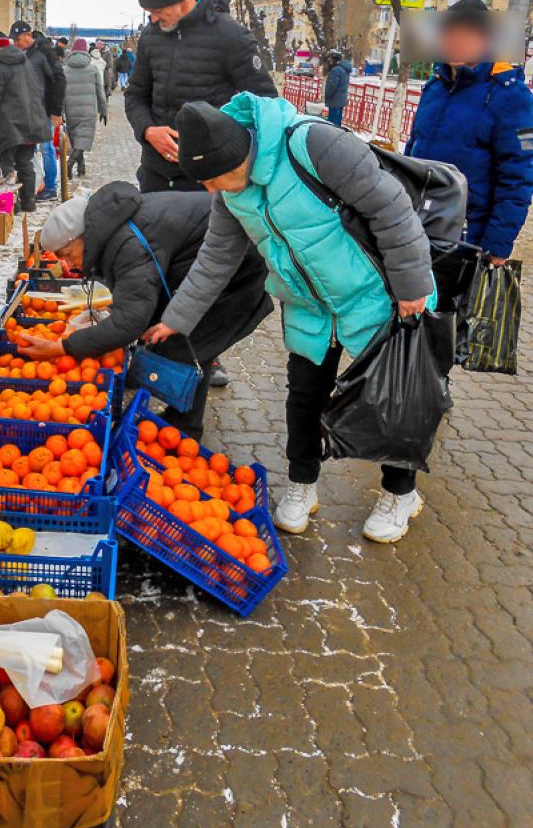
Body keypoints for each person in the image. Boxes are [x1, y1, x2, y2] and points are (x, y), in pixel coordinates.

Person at [145, 96, 437, 543]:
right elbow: (215, 260)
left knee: (391, 398)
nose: (209, 190)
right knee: (304, 395)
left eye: (211, 178)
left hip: (375, 294)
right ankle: (302, 484)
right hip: (309, 304)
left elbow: (392, 209)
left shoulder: (314, 145)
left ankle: (401, 492)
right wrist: (176, 320)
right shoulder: (230, 194)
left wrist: (412, 286)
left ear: (236, 158)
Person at [18, 183, 272, 438]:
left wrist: (62, 348)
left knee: (190, 338)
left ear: (80, 236)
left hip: (236, 263)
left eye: (68, 253)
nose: (69, 264)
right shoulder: (110, 226)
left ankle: (184, 425)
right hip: (197, 259)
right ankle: (160, 394)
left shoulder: (127, 242)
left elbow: (131, 321)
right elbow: (136, 296)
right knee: (166, 326)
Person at [405, 0, 533, 319]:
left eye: (466, 35)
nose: (455, 42)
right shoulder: (434, 87)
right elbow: (412, 149)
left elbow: (519, 175)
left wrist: (498, 243)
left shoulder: (511, 95)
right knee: (399, 321)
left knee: (437, 328)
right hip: (411, 229)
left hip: (462, 240)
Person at [125, 0, 277, 194]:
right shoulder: (150, 36)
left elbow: (264, 103)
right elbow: (135, 95)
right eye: (149, 13)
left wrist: (225, 151)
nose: (153, 19)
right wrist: (147, 131)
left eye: (157, 11)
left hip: (207, 182)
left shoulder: (231, 35)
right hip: (155, 174)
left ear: (177, 0)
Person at [0, 31, 51, 214]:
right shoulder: (23, 60)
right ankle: (28, 202)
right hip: (30, 121)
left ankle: (11, 204)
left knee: (4, 164)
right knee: (25, 163)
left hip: (9, 122)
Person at [10, 20, 65, 202]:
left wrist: (56, 110)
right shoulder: (25, 53)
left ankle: (50, 187)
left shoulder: (44, 53)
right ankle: (34, 185)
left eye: (18, 39)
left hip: (43, 109)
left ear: (28, 35)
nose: (16, 43)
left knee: (47, 148)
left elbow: (59, 80)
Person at [63, 38, 107, 178]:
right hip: (88, 111)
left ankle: (81, 168)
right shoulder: (92, 69)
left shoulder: (64, 70)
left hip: (70, 110)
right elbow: (100, 92)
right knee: (82, 139)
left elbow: (60, 93)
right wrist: (103, 110)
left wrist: (60, 112)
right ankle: (70, 164)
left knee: (76, 139)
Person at [323, 49, 352, 127]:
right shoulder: (344, 70)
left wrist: (326, 96)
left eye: (330, 60)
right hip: (341, 101)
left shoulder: (335, 70)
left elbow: (331, 86)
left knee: (332, 124)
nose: (329, 62)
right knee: (338, 123)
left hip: (334, 101)